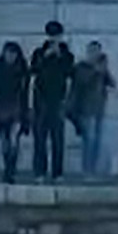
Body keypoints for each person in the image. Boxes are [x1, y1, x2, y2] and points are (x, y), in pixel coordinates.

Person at [30, 20, 75, 182]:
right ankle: (39, 172)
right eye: (52, 36)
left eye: (57, 36)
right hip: (41, 99)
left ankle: (58, 173)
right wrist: (45, 57)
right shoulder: (39, 52)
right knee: (40, 139)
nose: (55, 39)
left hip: (58, 99)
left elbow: (70, 73)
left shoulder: (67, 55)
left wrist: (60, 56)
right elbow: (33, 71)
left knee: (57, 139)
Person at [0, 42, 30, 184]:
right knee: (5, 141)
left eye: (13, 54)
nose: (10, 56)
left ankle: (10, 170)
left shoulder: (22, 72)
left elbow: (25, 93)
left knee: (13, 141)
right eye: (8, 53)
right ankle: (9, 168)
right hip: (2, 109)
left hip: (16, 109)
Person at [72, 41, 115, 176]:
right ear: (88, 52)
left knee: (97, 140)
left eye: (97, 51)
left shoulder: (102, 68)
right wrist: (95, 71)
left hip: (99, 110)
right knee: (88, 140)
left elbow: (112, 84)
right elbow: (81, 82)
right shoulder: (81, 67)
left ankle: (94, 169)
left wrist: (105, 70)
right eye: (92, 51)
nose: (95, 54)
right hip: (85, 109)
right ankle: (87, 170)